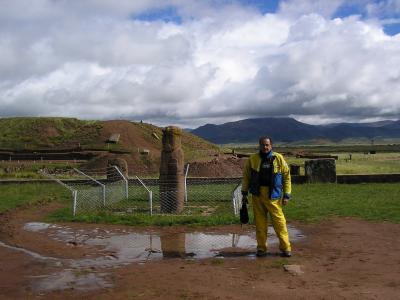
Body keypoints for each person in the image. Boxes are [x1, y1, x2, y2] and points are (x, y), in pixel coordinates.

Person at [241, 136, 292, 257]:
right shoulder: (252, 159)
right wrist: (244, 192)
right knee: (260, 224)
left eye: (267, 145)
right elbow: (246, 177)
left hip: (273, 196)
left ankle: (286, 248)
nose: (265, 147)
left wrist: (287, 194)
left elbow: (287, 177)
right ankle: (261, 248)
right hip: (257, 195)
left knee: (279, 222)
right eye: (263, 145)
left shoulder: (278, 158)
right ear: (259, 145)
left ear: (271, 146)